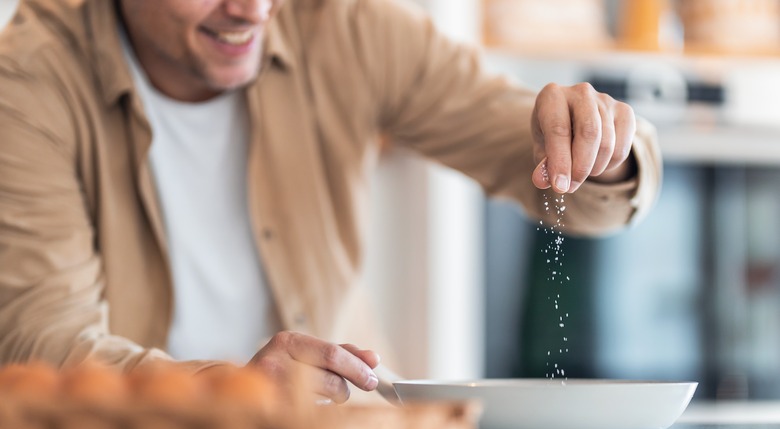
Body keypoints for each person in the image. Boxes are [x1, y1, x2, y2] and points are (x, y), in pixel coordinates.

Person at [0, 0, 661, 405]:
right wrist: (230, 393)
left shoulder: (346, 27)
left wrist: (601, 144)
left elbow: (566, 183)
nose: (255, 9)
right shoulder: (29, 77)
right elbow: (40, 341)